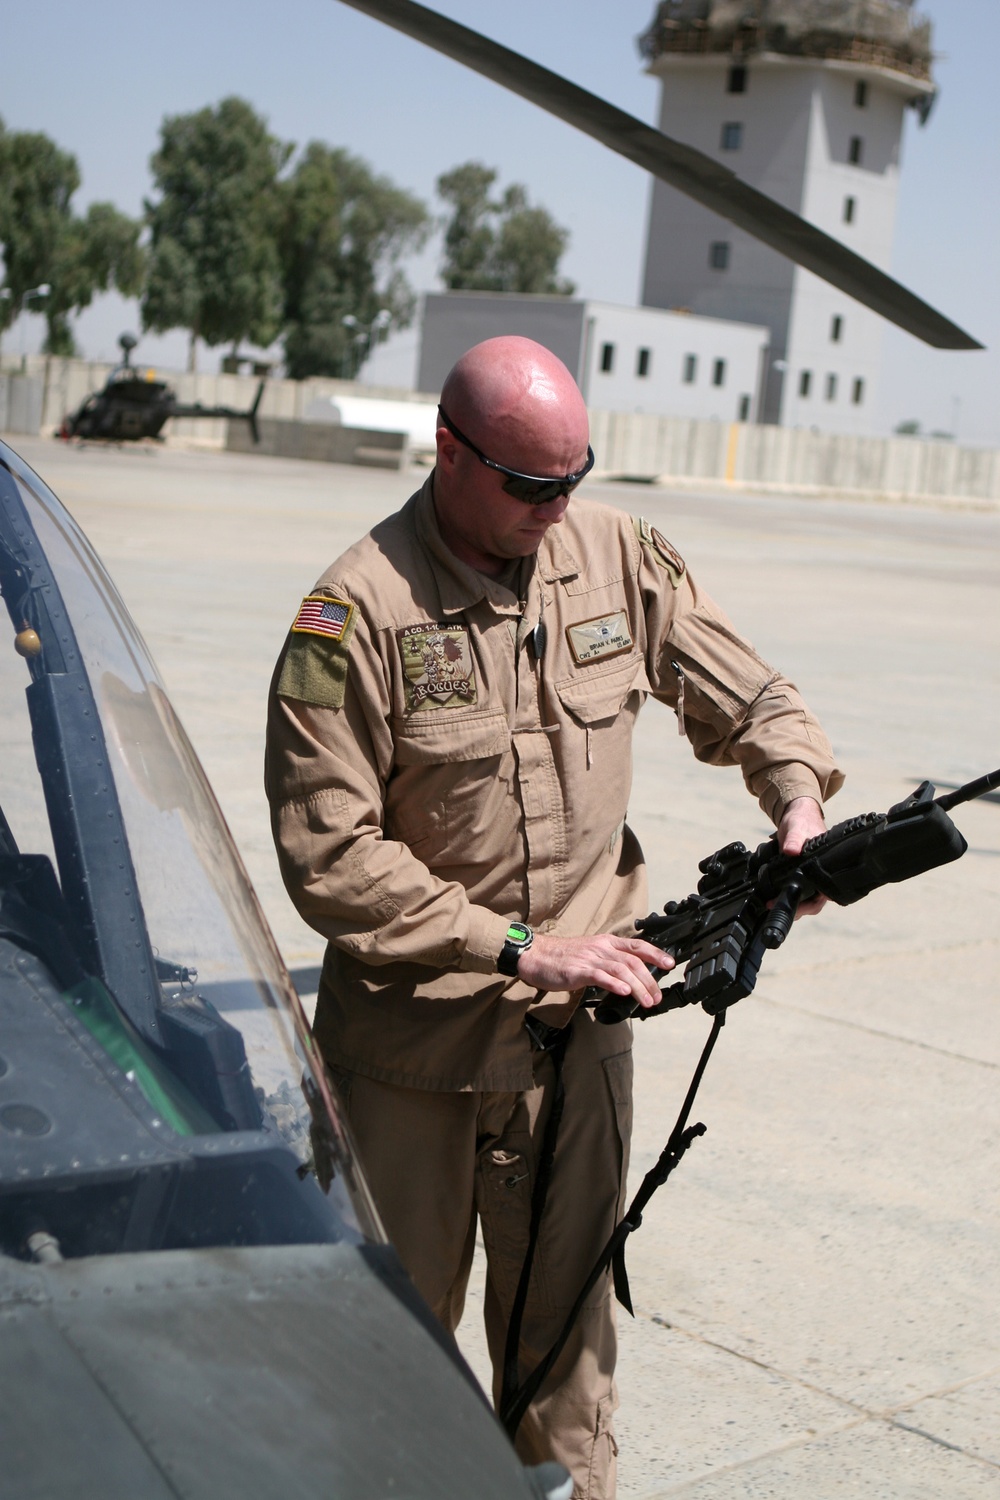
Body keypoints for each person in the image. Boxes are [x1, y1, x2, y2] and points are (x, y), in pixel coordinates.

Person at [265, 337, 843, 1498]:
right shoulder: (354, 614)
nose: (556, 507)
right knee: (394, 1364)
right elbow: (328, 855)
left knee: (567, 1378)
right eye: (531, 484)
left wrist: (797, 796)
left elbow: (749, 693)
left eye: (573, 477)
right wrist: (527, 948)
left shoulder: (614, 554)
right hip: (410, 1062)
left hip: (575, 1054)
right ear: (449, 453)